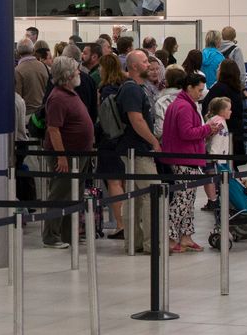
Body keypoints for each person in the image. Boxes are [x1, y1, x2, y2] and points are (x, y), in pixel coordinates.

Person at [160, 73, 221, 252]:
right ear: (189, 88)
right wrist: (207, 129)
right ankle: (170, 239)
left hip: (187, 157)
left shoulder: (180, 104)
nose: (201, 94)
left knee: (188, 200)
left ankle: (186, 236)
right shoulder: (184, 107)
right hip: (185, 158)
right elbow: (187, 132)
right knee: (181, 200)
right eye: (199, 90)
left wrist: (205, 131)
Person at [40, 56, 94, 249]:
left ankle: (68, 233)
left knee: (74, 194)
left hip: (80, 154)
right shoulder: (57, 98)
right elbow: (54, 129)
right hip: (66, 155)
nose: (79, 72)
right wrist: (61, 156)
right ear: (68, 75)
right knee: (59, 194)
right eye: (76, 70)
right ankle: (51, 235)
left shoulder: (71, 93)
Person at [115, 49, 161, 254]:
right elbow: (136, 120)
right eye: (144, 61)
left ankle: (134, 242)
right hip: (137, 150)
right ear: (133, 66)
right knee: (153, 193)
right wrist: (153, 141)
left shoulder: (138, 88)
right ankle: (153, 243)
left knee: (134, 197)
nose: (148, 65)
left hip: (135, 149)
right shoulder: (132, 90)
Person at [95, 53, 127, 238]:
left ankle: (121, 224)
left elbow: (106, 119)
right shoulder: (124, 85)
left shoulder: (106, 89)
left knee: (114, 181)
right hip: (123, 140)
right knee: (123, 181)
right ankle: (126, 222)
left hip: (110, 140)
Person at [202, 60, 246, 163]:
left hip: (221, 134)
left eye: (219, 68)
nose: (217, 70)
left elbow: (207, 107)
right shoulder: (236, 89)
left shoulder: (219, 88)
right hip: (235, 132)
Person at [14, 39, 48, 112]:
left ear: (17, 52)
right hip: (42, 112)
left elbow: (18, 97)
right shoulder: (43, 66)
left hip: (26, 114)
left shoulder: (17, 70)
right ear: (33, 50)